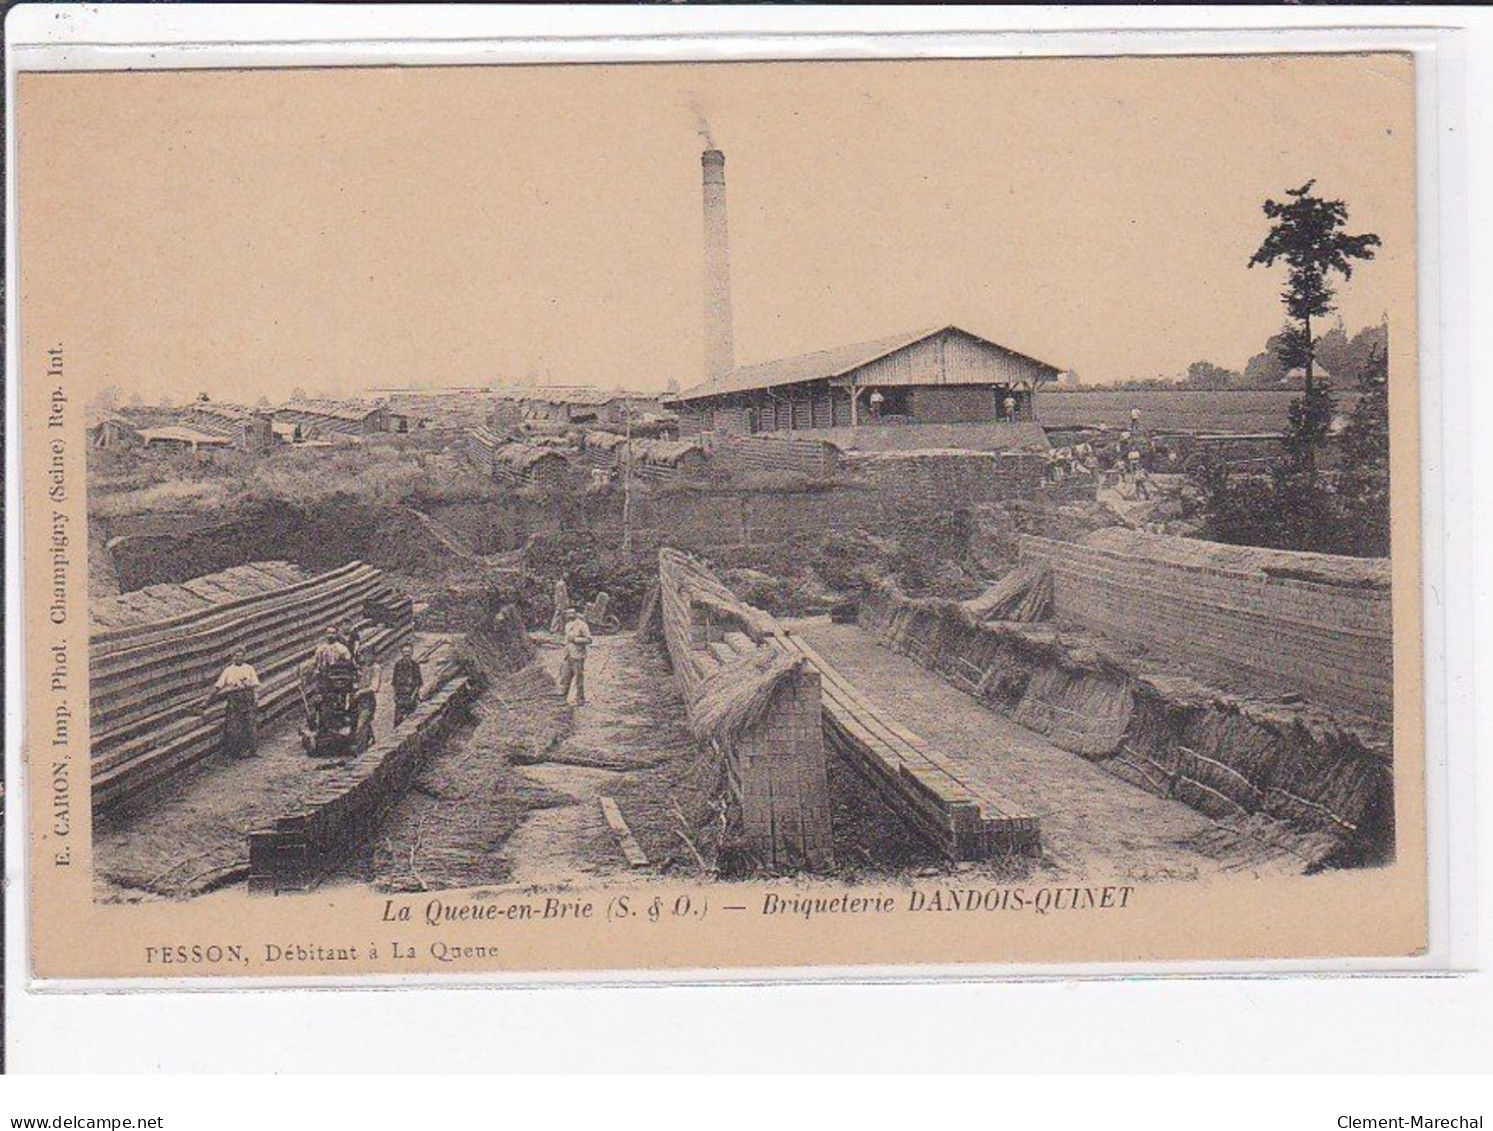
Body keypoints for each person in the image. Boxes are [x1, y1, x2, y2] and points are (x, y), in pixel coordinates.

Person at [206, 649, 261, 758]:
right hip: (234, 700)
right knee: (234, 726)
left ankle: (252, 750)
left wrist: (250, 691)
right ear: (233, 657)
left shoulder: (249, 668)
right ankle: (235, 752)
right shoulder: (228, 670)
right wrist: (207, 700)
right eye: (236, 656)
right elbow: (219, 685)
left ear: (244, 657)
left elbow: (255, 684)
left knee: (250, 725)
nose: (239, 658)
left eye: (241, 656)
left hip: (247, 698)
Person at [557, 606, 593, 706]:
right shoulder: (567, 625)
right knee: (565, 677)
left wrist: (576, 640)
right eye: (568, 614)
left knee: (578, 679)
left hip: (578, 655)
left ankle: (580, 699)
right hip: (568, 655)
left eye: (572, 613)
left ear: (576, 614)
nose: (570, 615)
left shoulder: (582, 625)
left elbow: (589, 639)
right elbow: (566, 639)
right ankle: (562, 699)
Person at [352, 642, 380, 751]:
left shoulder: (376, 668)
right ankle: (371, 741)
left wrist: (360, 692)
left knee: (361, 727)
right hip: (359, 702)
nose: (364, 658)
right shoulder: (364, 668)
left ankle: (361, 752)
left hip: (368, 701)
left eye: (367, 655)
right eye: (363, 655)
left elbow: (374, 687)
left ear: (373, 656)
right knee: (365, 724)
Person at [392, 643, 423, 727]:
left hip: (411, 696)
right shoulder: (398, 665)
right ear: (401, 653)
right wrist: (395, 694)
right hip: (400, 696)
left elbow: (418, 683)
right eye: (404, 652)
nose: (406, 654)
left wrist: (413, 696)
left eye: (408, 651)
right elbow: (394, 682)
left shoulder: (415, 665)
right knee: (398, 720)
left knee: (411, 720)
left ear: (412, 652)